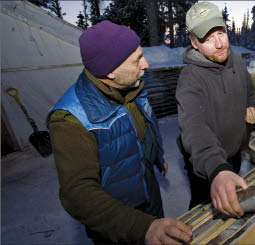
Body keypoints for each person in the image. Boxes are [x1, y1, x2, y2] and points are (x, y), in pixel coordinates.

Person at [48, 20, 192, 245]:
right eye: (136, 60)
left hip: (148, 191)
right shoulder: (70, 120)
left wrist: (158, 156)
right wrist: (142, 227)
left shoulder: (132, 86)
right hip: (116, 218)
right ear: (110, 71)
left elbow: (147, 128)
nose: (145, 64)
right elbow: (78, 195)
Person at [176, 2, 255, 218]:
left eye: (221, 33)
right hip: (206, 161)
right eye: (207, 39)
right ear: (194, 43)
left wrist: (249, 105)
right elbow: (194, 127)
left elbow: (249, 90)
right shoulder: (190, 79)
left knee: (231, 205)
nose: (219, 44)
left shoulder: (237, 61)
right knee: (201, 211)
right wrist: (216, 168)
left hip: (233, 153)